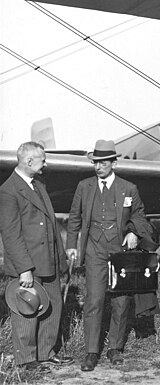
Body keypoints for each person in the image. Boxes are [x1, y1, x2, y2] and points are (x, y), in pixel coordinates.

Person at [66, 139, 155, 371]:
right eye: (95, 162)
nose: (98, 166)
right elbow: (74, 217)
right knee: (94, 300)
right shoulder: (84, 187)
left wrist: (134, 232)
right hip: (94, 249)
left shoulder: (129, 188)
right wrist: (72, 245)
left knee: (121, 301)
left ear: (113, 162)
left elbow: (139, 215)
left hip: (120, 252)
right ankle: (91, 351)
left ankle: (115, 347)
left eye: (103, 162)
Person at [0, 142, 72, 371]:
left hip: (48, 259)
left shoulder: (38, 184)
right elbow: (11, 235)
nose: (46, 164)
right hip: (28, 265)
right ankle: (26, 360)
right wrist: (24, 269)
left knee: (53, 307)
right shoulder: (8, 190)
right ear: (29, 162)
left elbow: (50, 223)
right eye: (42, 160)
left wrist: (60, 258)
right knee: (27, 309)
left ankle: (45, 353)